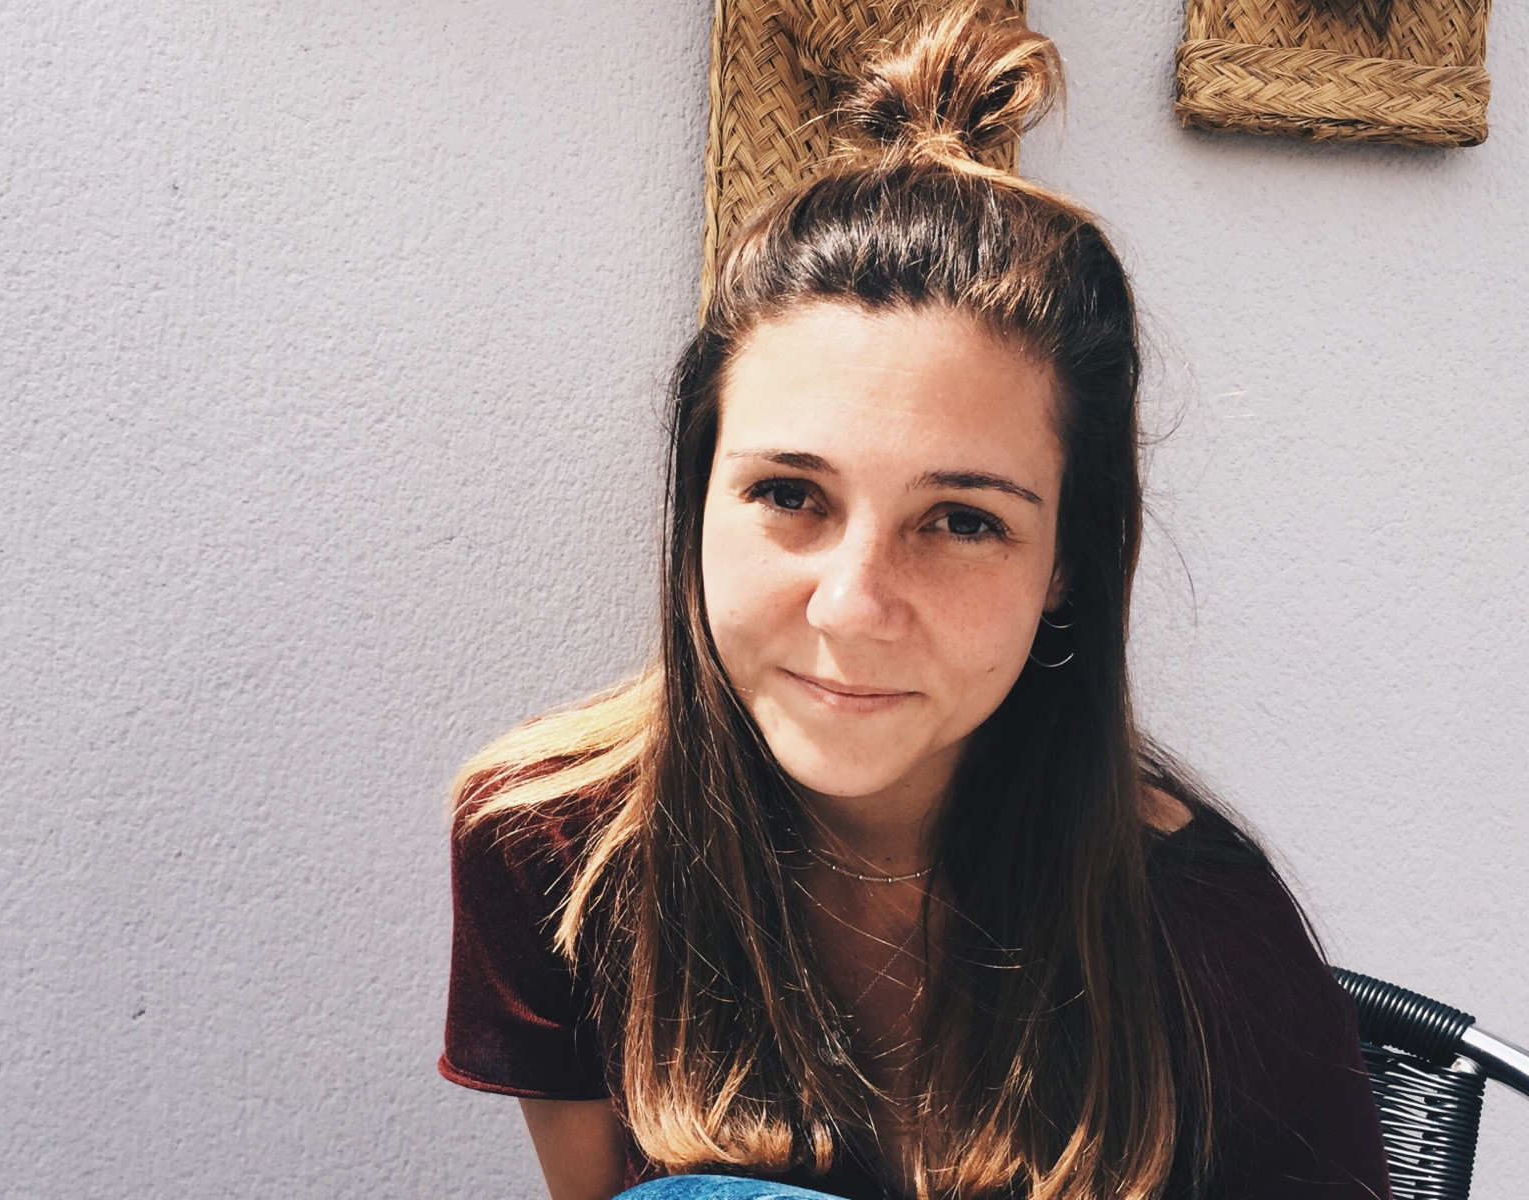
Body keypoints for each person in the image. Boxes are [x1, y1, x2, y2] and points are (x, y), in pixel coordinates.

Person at [440, 6, 1393, 1199]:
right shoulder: (554, 846)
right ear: (695, 503)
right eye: (789, 493)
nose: (851, 606)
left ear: (1069, 563)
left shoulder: (1201, 933)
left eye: (962, 520)